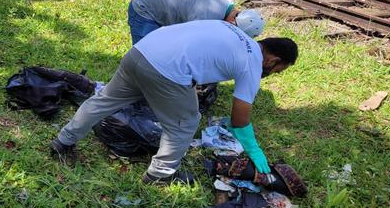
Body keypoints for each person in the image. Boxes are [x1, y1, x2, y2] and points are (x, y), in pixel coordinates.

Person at [50, 20, 298, 185]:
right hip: (166, 71)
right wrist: (254, 149)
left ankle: (63, 142)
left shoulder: (231, 29)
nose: (272, 74)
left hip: (142, 51)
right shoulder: (252, 64)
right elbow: (239, 119)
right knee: (185, 123)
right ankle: (160, 175)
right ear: (273, 60)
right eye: (278, 71)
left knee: (104, 101)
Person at [128, 0, 264, 44]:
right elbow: (187, 43)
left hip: (161, 10)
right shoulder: (207, 14)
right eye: (234, 31)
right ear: (233, 21)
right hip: (145, 9)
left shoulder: (227, 3)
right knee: (145, 56)